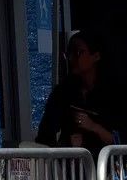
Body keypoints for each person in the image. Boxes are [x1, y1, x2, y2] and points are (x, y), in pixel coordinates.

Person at [36, 29, 121, 158]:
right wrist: (67, 145)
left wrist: (93, 126)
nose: (72, 58)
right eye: (69, 53)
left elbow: (119, 139)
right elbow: (45, 135)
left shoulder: (110, 93)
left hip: (105, 167)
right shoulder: (62, 92)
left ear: (96, 56)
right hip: (72, 168)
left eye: (79, 52)